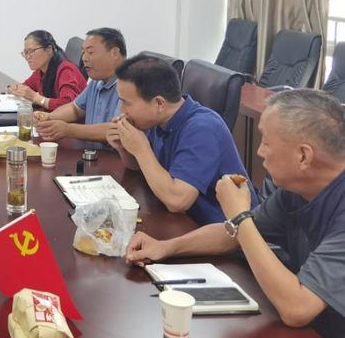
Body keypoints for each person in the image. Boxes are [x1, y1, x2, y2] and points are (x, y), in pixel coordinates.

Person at [126, 89, 345, 338]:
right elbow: (232, 235)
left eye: (266, 142)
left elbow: (297, 309)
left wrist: (240, 216)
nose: (259, 151)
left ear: (303, 156)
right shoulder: (295, 190)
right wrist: (166, 247)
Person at [106, 54, 256, 225]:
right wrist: (124, 148)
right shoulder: (156, 120)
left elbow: (177, 201)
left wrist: (141, 149)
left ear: (159, 103)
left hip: (227, 231)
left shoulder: (202, 129)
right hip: (184, 221)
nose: (121, 109)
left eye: (127, 103)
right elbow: (142, 168)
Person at [34, 27, 126, 142]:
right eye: (83, 53)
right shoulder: (97, 81)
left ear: (115, 53)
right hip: (91, 149)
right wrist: (49, 117)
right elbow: (75, 109)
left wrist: (68, 130)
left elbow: (117, 130)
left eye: (91, 52)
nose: (84, 59)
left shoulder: (130, 85)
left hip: (112, 153)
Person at [8, 30, 86, 112]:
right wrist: (17, 89)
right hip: (52, 116)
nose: (27, 57)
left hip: (70, 120)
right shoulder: (41, 70)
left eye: (31, 51)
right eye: (25, 52)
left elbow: (66, 104)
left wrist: (35, 97)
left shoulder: (66, 70)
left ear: (49, 50)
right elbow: (27, 86)